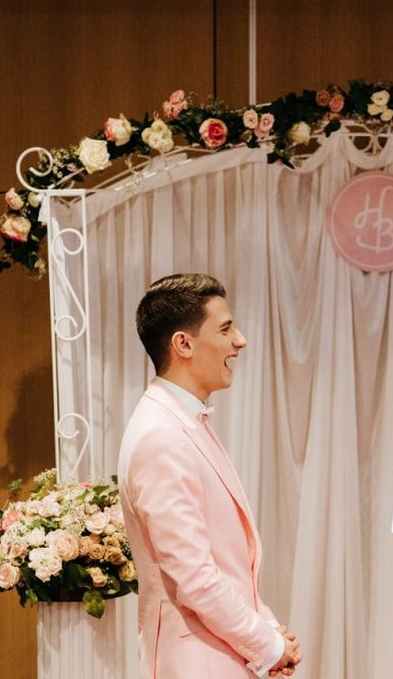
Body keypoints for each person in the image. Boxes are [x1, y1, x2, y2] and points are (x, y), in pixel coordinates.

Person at [118, 273, 302, 678]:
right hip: (195, 662)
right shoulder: (160, 436)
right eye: (225, 328)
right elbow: (195, 579)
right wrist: (266, 643)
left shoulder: (184, 422)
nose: (240, 340)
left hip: (222, 655)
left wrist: (268, 628)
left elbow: (227, 565)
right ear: (183, 343)